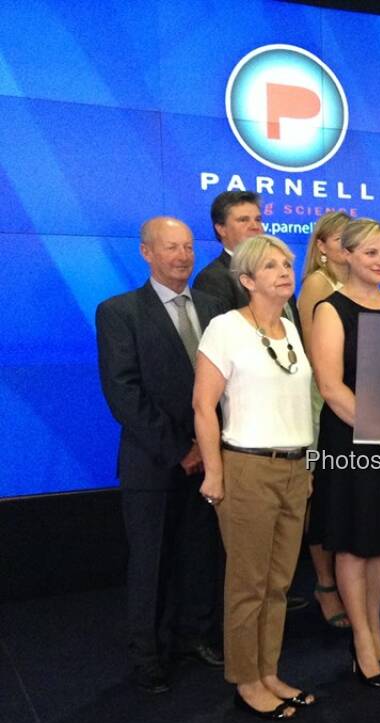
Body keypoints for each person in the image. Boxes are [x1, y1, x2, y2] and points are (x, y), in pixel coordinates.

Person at [96, 216, 224, 694]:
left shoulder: (215, 308)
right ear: (147, 253)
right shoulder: (119, 311)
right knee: (150, 562)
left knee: (199, 554)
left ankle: (196, 636)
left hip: (210, 458)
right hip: (152, 462)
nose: (183, 256)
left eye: (189, 247)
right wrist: (179, 449)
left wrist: (207, 449)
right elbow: (123, 393)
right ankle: (148, 655)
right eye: (171, 247)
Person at [193, 234, 314, 720]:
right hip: (246, 467)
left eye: (287, 263)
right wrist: (215, 474)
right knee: (248, 583)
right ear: (247, 280)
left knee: (280, 583)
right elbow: (203, 406)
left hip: (295, 467)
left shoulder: (290, 325)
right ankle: (246, 680)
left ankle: (268, 671)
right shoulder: (225, 328)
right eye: (271, 266)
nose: (285, 271)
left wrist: (308, 467)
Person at [308, 218, 380, 690]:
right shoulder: (330, 309)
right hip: (351, 442)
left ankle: (375, 630)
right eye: (371, 253)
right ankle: (362, 642)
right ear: (346, 255)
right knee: (353, 540)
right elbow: (331, 387)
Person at [297, 211, 352, 630]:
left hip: (343, 399)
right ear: (321, 246)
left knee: (336, 496)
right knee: (324, 495)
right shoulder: (318, 284)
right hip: (322, 401)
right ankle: (325, 584)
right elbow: (321, 358)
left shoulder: (352, 283)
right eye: (340, 239)